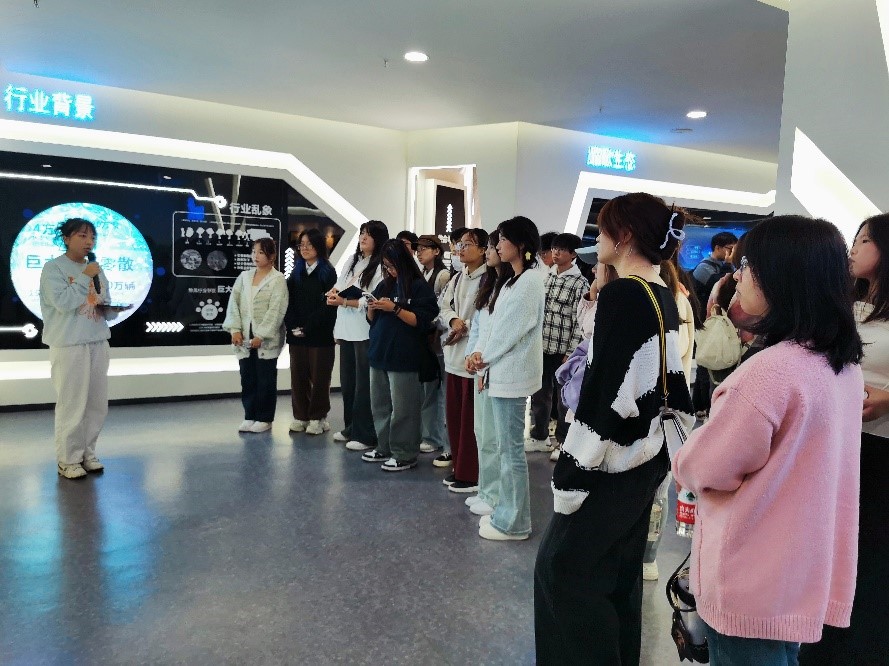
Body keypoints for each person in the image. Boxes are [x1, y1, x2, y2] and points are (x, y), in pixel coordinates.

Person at [674, 215, 863, 665]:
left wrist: (684, 456)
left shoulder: (770, 373)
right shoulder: (840, 364)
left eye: (747, 266)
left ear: (781, 275)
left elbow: (705, 468)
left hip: (750, 578)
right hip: (798, 573)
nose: (737, 276)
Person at [534, 193, 694, 665]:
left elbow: (605, 392)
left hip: (610, 463)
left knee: (564, 575)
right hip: (644, 459)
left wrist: (573, 471)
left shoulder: (624, 295)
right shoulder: (659, 291)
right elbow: (668, 383)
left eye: (603, 230)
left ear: (623, 236)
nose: (597, 239)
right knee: (617, 579)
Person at [800, 213, 889, 664]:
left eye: (865, 240)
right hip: (836, 443)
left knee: (870, 558)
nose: (854, 248)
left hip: (879, 450)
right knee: (829, 552)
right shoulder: (848, 304)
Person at [467, 216, 545, 540]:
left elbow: (511, 330)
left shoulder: (530, 280)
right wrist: (480, 357)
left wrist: (483, 358)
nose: (497, 246)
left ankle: (514, 523)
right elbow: (494, 327)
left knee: (511, 452)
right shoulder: (514, 280)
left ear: (521, 244)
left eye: (502, 240)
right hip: (500, 371)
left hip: (512, 375)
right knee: (504, 449)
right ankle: (506, 513)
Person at [40, 218, 126, 479]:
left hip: (97, 340)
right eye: (82, 236)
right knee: (72, 404)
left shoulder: (95, 269)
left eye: (92, 237)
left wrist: (111, 309)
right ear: (66, 238)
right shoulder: (53, 268)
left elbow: (101, 301)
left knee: (96, 404)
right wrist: (85, 276)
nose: (89, 242)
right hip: (69, 344)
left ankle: (87, 453)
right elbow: (63, 302)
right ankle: (68, 459)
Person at [361, 240, 439, 471]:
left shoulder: (418, 287)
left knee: (404, 408)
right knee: (380, 405)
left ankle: (404, 453)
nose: (390, 270)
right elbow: (371, 320)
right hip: (379, 352)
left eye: (392, 265)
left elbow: (422, 321)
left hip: (404, 356)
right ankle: (384, 446)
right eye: (386, 266)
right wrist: (371, 307)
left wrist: (395, 308)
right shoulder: (384, 285)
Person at [327, 220, 388, 452]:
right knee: (348, 382)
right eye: (362, 233)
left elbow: (370, 299)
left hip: (364, 330)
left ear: (378, 239)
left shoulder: (381, 266)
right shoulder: (352, 260)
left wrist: (344, 301)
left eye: (368, 234)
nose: (363, 237)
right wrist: (334, 293)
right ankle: (351, 427)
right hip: (345, 328)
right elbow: (340, 284)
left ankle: (365, 433)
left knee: (364, 385)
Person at [436, 228, 489, 488]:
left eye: (468, 244)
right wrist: (453, 320)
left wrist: (464, 325)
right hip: (453, 355)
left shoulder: (489, 278)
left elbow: (486, 315)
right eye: (460, 244)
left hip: (474, 356)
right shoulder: (457, 278)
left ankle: (471, 474)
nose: (461, 249)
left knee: (471, 422)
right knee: (455, 418)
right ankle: (459, 467)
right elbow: (443, 306)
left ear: (483, 250)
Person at [527, 233, 588, 453]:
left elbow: (580, 320)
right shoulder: (547, 277)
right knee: (539, 394)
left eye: (561, 249)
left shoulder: (580, 283)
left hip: (564, 351)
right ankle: (540, 436)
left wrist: (572, 352)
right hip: (542, 346)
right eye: (554, 248)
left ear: (573, 254)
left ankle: (563, 443)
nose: (555, 253)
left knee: (564, 398)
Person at [464, 229, 510, 513]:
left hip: (496, 370)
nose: (492, 251)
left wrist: (484, 360)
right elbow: (478, 327)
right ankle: (486, 489)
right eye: (492, 246)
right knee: (481, 432)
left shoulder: (513, 286)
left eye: (495, 246)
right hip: (482, 367)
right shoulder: (489, 283)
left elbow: (503, 334)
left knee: (495, 437)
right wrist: (471, 354)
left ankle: (495, 496)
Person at [223, 237, 288, 433]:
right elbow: (233, 303)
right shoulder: (244, 276)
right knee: (247, 377)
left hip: (265, 340)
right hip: (244, 337)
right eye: (254, 251)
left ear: (272, 256)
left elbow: (276, 310)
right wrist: (235, 329)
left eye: (261, 252)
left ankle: (265, 418)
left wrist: (262, 335)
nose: (255, 256)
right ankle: (249, 415)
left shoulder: (278, 279)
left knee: (265, 379)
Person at [284, 229, 338, 435]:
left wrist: (308, 327)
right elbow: (288, 301)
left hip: (320, 334)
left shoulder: (328, 272)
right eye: (301, 244)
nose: (304, 248)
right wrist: (293, 326)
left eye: (309, 244)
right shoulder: (296, 271)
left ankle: (318, 417)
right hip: (296, 334)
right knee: (298, 377)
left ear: (319, 246)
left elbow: (328, 305)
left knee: (320, 377)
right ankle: (300, 416)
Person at [416, 234, 451, 456]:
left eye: (424, 248)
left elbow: (444, 308)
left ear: (436, 251)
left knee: (439, 391)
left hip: (439, 339)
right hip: (426, 339)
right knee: (428, 389)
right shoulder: (422, 274)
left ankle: (436, 437)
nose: (419, 252)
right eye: (418, 249)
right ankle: (430, 434)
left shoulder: (443, 275)